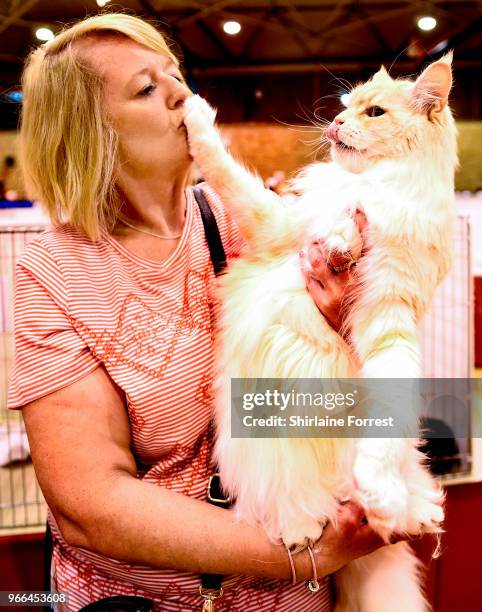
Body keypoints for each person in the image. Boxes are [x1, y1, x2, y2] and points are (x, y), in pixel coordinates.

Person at [8, 13, 400, 611]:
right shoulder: (53, 271)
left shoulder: (239, 215)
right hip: (151, 600)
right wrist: (305, 555)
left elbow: (371, 400)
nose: (183, 96)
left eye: (176, 75)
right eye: (147, 88)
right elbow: (91, 505)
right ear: (90, 133)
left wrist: (349, 331)